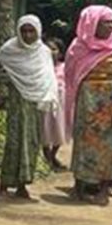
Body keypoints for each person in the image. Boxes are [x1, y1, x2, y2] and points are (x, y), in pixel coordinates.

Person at [63, 6, 112, 206]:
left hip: (109, 102)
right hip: (85, 100)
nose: (111, 26)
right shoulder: (78, 48)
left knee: (107, 145)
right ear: (92, 23)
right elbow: (70, 76)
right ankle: (80, 186)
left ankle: (104, 188)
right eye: (106, 22)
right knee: (83, 142)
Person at [0, 17, 59, 199]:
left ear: (38, 32)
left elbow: (48, 78)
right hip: (16, 103)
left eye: (31, 31)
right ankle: (4, 185)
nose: (27, 35)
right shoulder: (9, 50)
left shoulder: (43, 52)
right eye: (24, 31)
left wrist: (48, 98)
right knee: (14, 143)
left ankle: (22, 186)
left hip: (35, 106)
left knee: (32, 143)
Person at [42, 37, 70, 170]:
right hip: (45, 101)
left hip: (61, 102)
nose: (50, 52)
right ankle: (47, 158)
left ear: (60, 52)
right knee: (45, 130)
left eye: (54, 49)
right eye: (47, 48)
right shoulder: (40, 67)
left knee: (60, 129)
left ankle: (53, 155)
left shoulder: (64, 67)